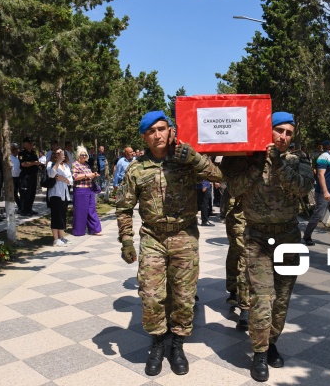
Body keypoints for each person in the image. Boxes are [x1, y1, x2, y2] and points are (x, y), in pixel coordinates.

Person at [116, 110, 223, 377]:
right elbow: (123, 207)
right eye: (151, 131)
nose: (157, 135)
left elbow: (219, 177)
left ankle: (177, 344)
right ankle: (157, 343)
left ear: (170, 131)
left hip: (184, 235)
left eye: (161, 129)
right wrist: (126, 240)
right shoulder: (137, 168)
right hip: (152, 237)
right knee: (152, 295)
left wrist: (195, 158)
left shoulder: (186, 160)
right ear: (144, 137)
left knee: (184, 296)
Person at [222, 112, 313, 382]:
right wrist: (258, 164)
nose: (284, 137)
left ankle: (272, 342)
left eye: (288, 133)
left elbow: (303, 187)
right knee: (262, 298)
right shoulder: (249, 161)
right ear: (267, 131)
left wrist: (278, 165)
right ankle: (259, 352)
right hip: (257, 237)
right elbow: (234, 188)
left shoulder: (299, 161)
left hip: (288, 237)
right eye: (279, 131)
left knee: (282, 298)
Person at [224, 195, 249, 329]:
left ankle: (233, 289)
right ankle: (245, 307)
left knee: (238, 254)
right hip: (239, 214)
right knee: (242, 256)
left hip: (260, 213)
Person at [71, 146, 102, 236]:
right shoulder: (75, 164)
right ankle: (79, 231)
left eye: (85, 154)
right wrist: (87, 175)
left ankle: (95, 229)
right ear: (78, 155)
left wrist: (93, 175)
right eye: (82, 154)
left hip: (89, 189)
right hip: (80, 190)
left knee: (91, 209)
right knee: (81, 211)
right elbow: (75, 177)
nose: (84, 156)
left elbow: (89, 175)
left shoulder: (87, 165)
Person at [47, 148, 73, 247]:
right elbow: (51, 174)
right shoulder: (51, 164)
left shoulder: (66, 166)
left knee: (62, 215)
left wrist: (63, 179)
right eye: (58, 153)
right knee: (56, 216)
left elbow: (70, 180)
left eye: (62, 153)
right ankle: (56, 239)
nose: (60, 154)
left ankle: (61, 237)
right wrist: (58, 162)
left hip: (65, 194)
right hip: (55, 193)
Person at [18, 137, 43, 216]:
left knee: (32, 193)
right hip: (26, 176)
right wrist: (34, 163)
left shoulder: (33, 152)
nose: (31, 144)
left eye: (31, 143)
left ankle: (29, 209)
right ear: (24, 144)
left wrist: (39, 164)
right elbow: (23, 164)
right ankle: (23, 210)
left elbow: (36, 162)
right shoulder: (22, 153)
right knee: (25, 193)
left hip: (33, 176)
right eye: (29, 143)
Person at [10, 143, 22, 213]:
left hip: (20, 177)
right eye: (16, 149)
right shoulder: (9, 157)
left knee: (22, 192)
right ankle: (19, 206)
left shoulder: (20, 157)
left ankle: (22, 206)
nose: (18, 150)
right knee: (14, 193)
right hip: (13, 177)